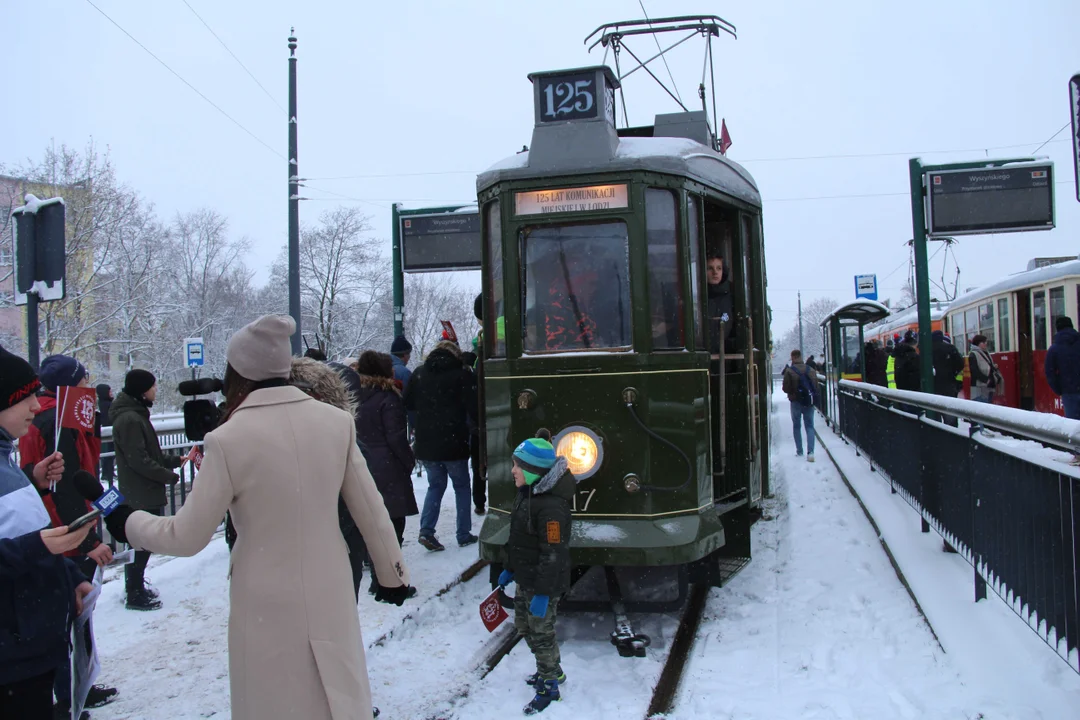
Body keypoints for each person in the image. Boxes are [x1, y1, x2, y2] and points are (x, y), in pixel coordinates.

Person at [103, 315, 411, 720]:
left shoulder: (228, 440)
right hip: (331, 582)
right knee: (336, 691)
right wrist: (393, 575)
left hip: (264, 595)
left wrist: (126, 520)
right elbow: (371, 508)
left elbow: (187, 535)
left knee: (274, 698)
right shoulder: (334, 423)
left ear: (239, 372)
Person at [18, 355, 118, 713]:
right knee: (73, 619)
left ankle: (73, 689)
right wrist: (88, 542)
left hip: (50, 529)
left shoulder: (43, 417)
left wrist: (111, 503)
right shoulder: (58, 422)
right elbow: (69, 489)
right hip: (65, 533)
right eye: (83, 379)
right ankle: (72, 695)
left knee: (65, 620)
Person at [0, 345, 96, 720]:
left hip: (29, 651)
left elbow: (19, 526)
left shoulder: (6, 457)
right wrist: (38, 549)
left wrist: (69, 576)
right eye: (25, 398)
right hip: (12, 659)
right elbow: (26, 544)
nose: (37, 406)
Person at [496, 431, 576, 715]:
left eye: (518, 466)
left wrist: (543, 593)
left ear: (533, 471)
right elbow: (518, 539)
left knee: (541, 633)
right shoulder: (525, 495)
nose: (513, 470)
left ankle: (550, 684)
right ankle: (553, 670)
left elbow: (553, 554)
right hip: (525, 579)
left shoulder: (552, 509)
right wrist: (509, 569)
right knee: (524, 627)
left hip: (543, 584)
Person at [290, 356, 373, 603]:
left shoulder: (270, 441)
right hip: (337, 554)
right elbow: (367, 513)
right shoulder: (346, 444)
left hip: (292, 560)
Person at [110, 369, 184, 610]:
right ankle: (134, 592)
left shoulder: (136, 415)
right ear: (142, 391)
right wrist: (168, 476)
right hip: (140, 493)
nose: (156, 390)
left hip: (142, 489)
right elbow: (138, 459)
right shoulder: (130, 419)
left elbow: (147, 453)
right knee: (142, 542)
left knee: (143, 542)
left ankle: (136, 586)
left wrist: (174, 460)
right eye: (153, 387)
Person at [353, 351, 419, 594]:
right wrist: (408, 460)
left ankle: (376, 572)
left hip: (363, 464)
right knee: (393, 526)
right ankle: (389, 581)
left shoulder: (354, 395)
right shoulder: (388, 399)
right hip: (388, 467)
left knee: (373, 521)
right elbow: (396, 437)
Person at [404, 339, 478, 550]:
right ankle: (463, 533)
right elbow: (473, 406)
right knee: (462, 486)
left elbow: (407, 402)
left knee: (435, 486)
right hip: (454, 439)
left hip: (427, 441)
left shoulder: (419, 373)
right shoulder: (461, 374)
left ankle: (426, 531)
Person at [781, 350, 818, 461]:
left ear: (792, 358)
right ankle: (811, 452)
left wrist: (793, 392)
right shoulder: (811, 370)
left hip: (795, 402)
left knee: (797, 426)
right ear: (801, 357)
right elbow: (816, 387)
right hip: (808, 402)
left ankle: (799, 451)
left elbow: (785, 388)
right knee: (810, 426)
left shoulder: (789, 371)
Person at [1045, 316, 1080, 419]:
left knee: (1073, 426)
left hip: (1068, 392)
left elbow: (1050, 372)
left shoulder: (1054, 349)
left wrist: (1059, 389)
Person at [931, 330, 965, 426]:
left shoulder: (927, 350)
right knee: (950, 417)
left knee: (934, 417)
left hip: (933, 387)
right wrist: (952, 373)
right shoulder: (950, 348)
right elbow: (960, 364)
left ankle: (936, 433)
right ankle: (951, 434)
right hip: (948, 386)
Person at [706, 252, 735, 353]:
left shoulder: (732, 295)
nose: (715, 272)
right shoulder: (697, 296)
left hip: (726, 357)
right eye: (710, 268)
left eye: (719, 268)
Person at [968, 334, 1002, 404]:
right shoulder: (973, 354)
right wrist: (987, 380)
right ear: (978, 343)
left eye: (986, 342)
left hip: (988, 386)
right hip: (979, 387)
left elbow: (986, 365)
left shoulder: (986, 353)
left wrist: (993, 367)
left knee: (987, 406)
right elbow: (974, 371)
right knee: (980, 408)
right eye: (983, 342)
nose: (985, 344)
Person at [96, 384, 115, 484]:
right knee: (109, 455)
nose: (111, 393)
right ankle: (108, 474)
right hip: (109, 430)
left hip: (109, 430)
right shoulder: (106, 404)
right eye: (109, 392)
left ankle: (108, 473)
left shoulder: (106, 403)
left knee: (109, 455)